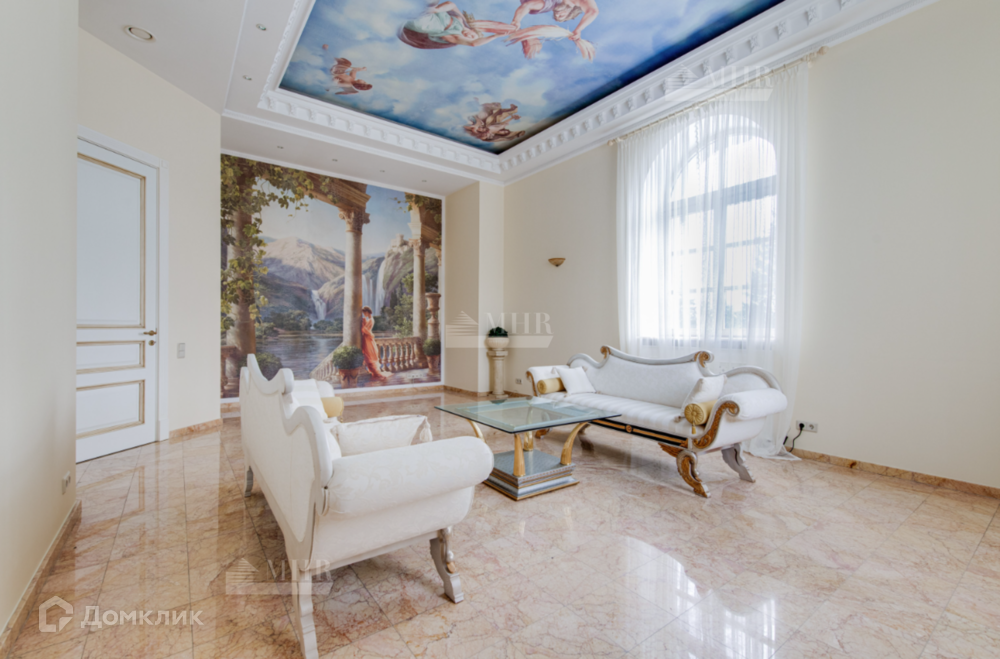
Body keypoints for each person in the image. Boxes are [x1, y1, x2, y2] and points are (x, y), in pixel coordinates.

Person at [398, 1, 509, 49]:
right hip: (432, 14)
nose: (468, 36)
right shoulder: (462, 21)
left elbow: (474, 44)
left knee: (414, 11)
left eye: (469, 38)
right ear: (472, 30)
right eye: (472, 35)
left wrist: (495, 36)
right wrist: (437, 10)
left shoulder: (454, 36)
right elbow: (452, 4)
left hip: (426, 23)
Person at [510, 0, 599, 41]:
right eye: (561, 16)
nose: (557, 14)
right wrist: (578, 29)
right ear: (570, 13)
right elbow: (593, 11)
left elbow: (527, 6)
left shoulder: (551, 3)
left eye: (556, 14)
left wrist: (516, 20)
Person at [360, 306, 388, 381]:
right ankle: (374, 372)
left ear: (367, 312)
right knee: (368, 354)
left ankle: (375, 373)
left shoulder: (370, 320)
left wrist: (363, 322)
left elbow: (364, 329)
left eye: (364, 313)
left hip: (367, 338)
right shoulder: (370, 319)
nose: (364, 314)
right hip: (367, 338)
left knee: (369, 355)